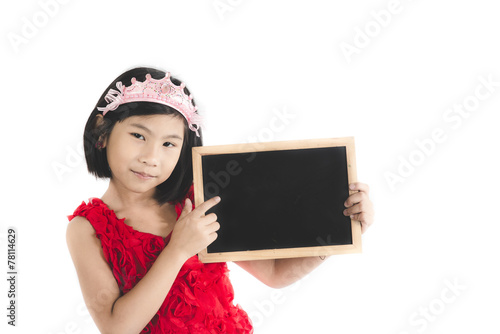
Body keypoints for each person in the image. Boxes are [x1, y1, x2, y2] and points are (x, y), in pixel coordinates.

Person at [66, 66, 374, 334]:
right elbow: (116, 327)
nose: (151, 157)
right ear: (102, 133)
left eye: (169, 143)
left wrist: (340, 229)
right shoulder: (86, 230)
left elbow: (275, 274)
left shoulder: (199, 203)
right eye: (138, 136)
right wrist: (178, 250)